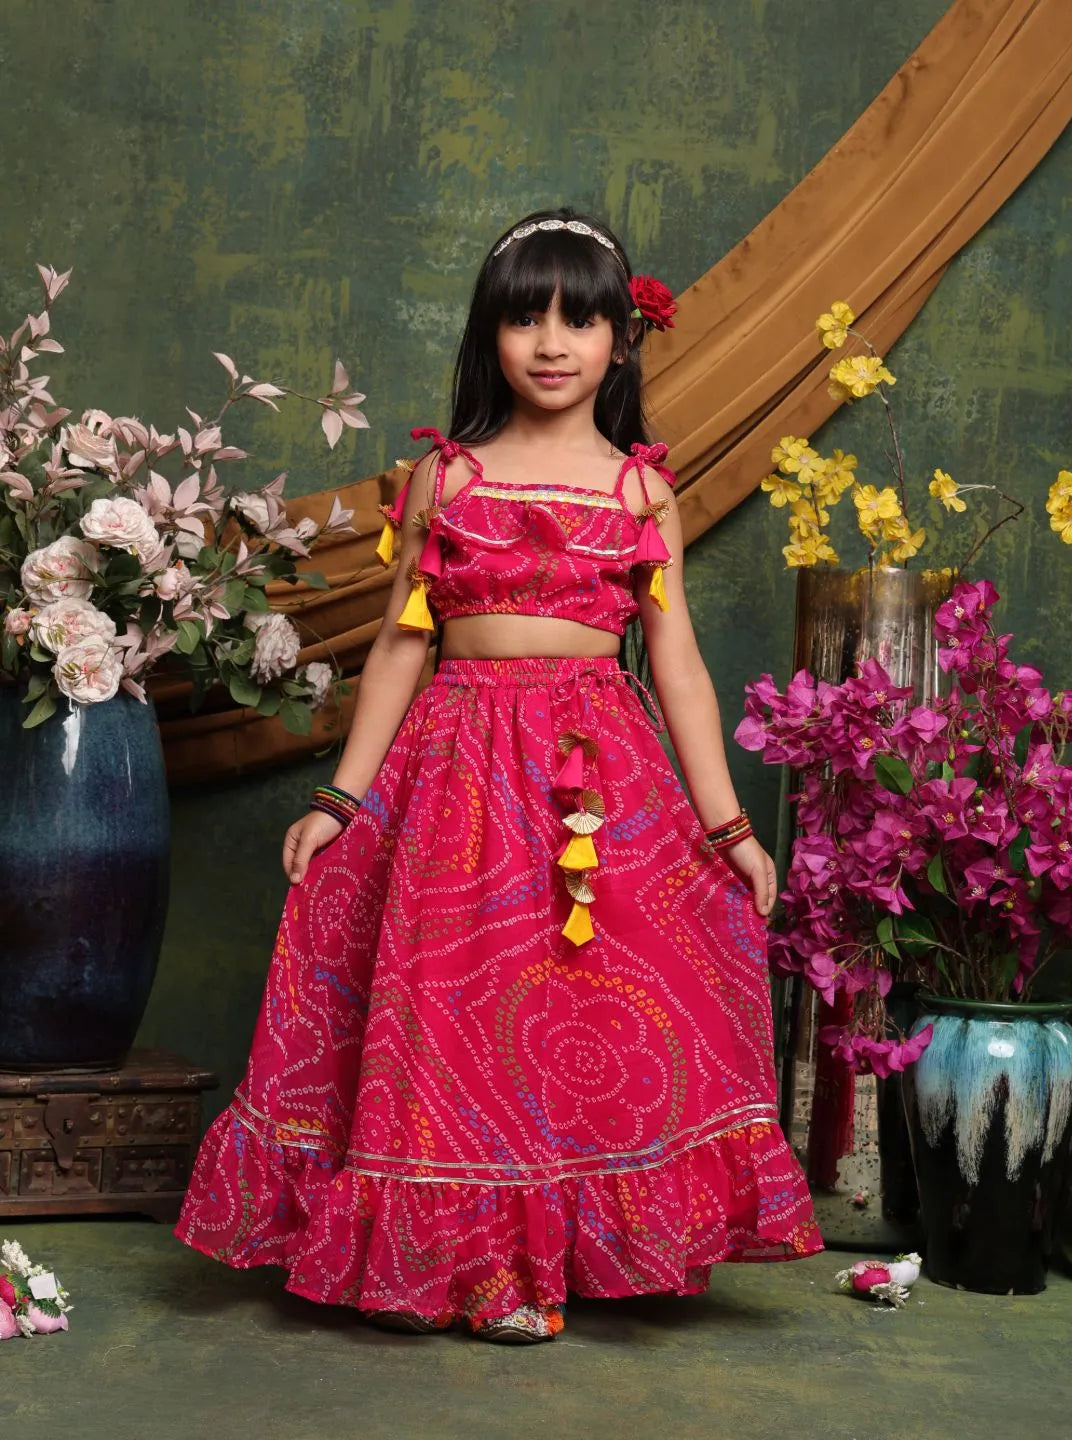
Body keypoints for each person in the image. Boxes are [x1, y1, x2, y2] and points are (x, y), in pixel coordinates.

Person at [176, 207, 822, 1344]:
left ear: (622, 340)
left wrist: (729, 830)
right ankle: (463, 1265)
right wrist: (340, 799)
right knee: (458, 1014)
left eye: (580, 318)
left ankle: (547, 1261)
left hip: (596, 780)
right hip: (457, 771)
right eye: (527, 317)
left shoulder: (639, 492)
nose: (553, 341)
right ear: (492, 336)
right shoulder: (448, 478)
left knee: (574, 1013)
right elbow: (399, 645)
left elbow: (676, 667)